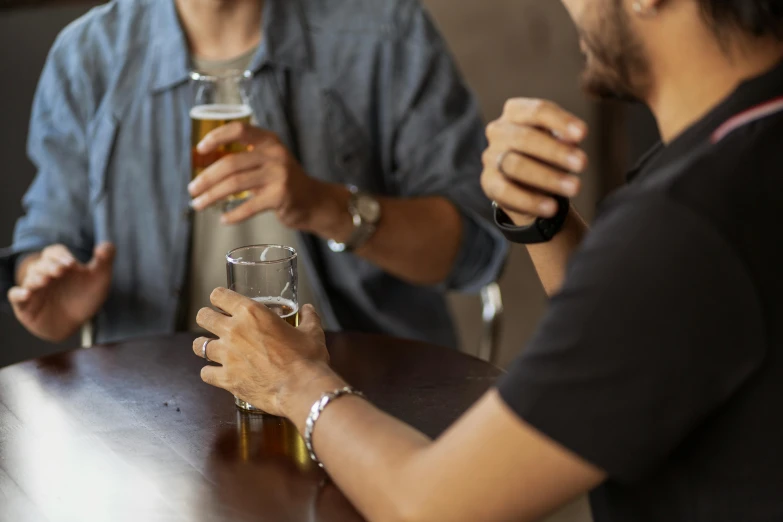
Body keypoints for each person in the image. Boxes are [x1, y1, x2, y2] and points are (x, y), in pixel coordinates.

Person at [192, 0, 783, 520]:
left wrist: (294, 381)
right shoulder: (733, 160)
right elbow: (639, 338)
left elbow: (431, 505)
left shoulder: (688, 221)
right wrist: (541, 219)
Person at [0, 0, 506, 349]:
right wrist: (48, 284)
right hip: (156, 414)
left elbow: (471, 251)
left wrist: (324, 205)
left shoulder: (386, 33)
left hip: (368, 400)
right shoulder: (86, 57)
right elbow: (47, 237)